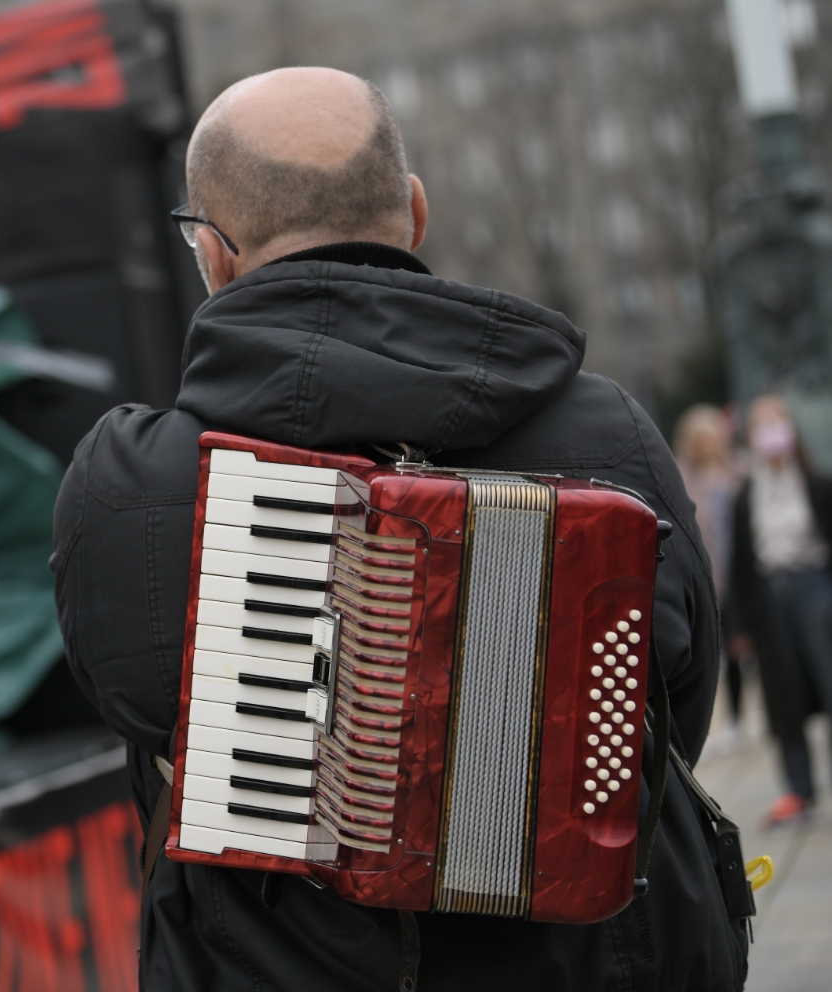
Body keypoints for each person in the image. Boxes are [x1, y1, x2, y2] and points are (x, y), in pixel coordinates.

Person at [51, 67, 745, 990]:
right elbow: (676, 701)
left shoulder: (134, 478)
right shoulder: (607, 430)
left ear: (213, 255)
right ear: (414, 214)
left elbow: (127, 704)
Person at [729, 393, 832, 827]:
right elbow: (739, 562)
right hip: (771, 598)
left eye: (777, 422)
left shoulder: (815, 483)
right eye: (762, 425)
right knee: (784, 696)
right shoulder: (747, 495)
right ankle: (798, 789)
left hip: (816, 587)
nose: (771, 432)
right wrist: (738, 625)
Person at [674, 404, 748, 750]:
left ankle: (739, 717)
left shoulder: (738, 471)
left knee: (739, 647)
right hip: (707, 577)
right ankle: (715, 725)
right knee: (710, 649)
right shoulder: (683, 478)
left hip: (741, 576)